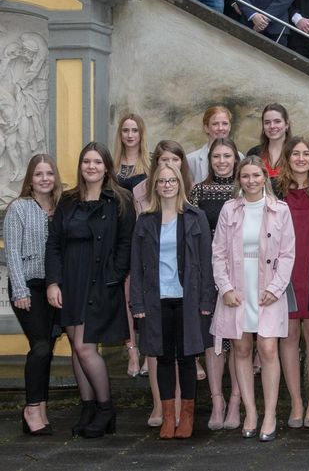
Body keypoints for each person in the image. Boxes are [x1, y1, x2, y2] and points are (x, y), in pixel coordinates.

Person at [45, 143, 134, 438]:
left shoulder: (120, 200)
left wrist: (114, 275)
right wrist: (53, 282)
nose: (91, 166)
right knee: (76, 346)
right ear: (81, 166)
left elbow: (125, 244)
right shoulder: (68, 201)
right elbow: (54, 244)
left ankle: (106, 407)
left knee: (85, 347)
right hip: (70, 280)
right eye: (86, 161)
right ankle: (88, 406)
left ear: (106, 167)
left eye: (97, 162)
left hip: (101, 280)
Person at [210, 157, 295, 441]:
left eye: (256, 175)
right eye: (245, 176)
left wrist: (276, 287)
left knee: (268, 348)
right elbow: (218, 252)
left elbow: (287, 253)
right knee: (242, 348)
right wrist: (225, 288)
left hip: (267, 287)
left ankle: (270, 414)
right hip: (237, 286)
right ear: (239, 179)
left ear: (264, 177)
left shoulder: (280, 210)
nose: (251, 181)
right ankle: (250, 411)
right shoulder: (229, 209)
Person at [130, 162, 215, 439]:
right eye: (162, 181)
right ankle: (168, 416)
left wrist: (206, 300)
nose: (167, 185)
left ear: (180, 184)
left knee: (188, 357)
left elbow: (205, 262)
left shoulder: (195, 216)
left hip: (187, 299)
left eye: (172, 181)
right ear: (155, 186)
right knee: (164, 358)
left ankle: (187, 416)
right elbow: (137, 264)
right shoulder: (145, 220)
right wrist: (138, 305)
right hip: (157, 299)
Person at [274, 137, 309, 429]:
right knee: (289, 337)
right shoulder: (275, 189)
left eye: (305, 153)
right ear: (287, 157)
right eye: (295, 153)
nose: (300, 158)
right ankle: (296, 401)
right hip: (284, 273)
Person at [5, 154, 63, 435]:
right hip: (28, 285)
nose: (44, 179)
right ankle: (31, 407)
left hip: (55, 287)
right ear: (30, 179)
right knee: (40, 346)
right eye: (38, 174)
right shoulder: (18, 208)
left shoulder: (62, 207)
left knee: (47, 348)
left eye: (49, 173)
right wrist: (19, 289)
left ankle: (40, 408)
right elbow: (12, 252)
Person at [188, 136, 243, 430]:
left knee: (237, 339)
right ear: (209, 160)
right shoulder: (199, 191)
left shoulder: (244, 188)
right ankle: (217, 401)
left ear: (236, 158)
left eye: (227, 156)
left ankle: (235, 401)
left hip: (240, 271)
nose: (222, 161)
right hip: (207, 272)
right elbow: (193, 234)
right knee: (212, 339)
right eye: (216, 157)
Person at [186, 105, 235, 184]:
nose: (220, 128)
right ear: (206, 128)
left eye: (225, 123)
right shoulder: (191, 160)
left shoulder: (240, 157)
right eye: (215, 124)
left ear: (229, 127)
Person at [247, 103, 292, 178]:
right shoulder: (254, 153)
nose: (272, 126)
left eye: (277, 121)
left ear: (287, 124)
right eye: (267, 122)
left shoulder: (297, 153)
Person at [114, 112, 150, 192]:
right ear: (120, 134)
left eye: (135, 130)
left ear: (141, 133)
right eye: (125, 130)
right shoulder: (111, 164)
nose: (130, 135)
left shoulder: (151, 163)